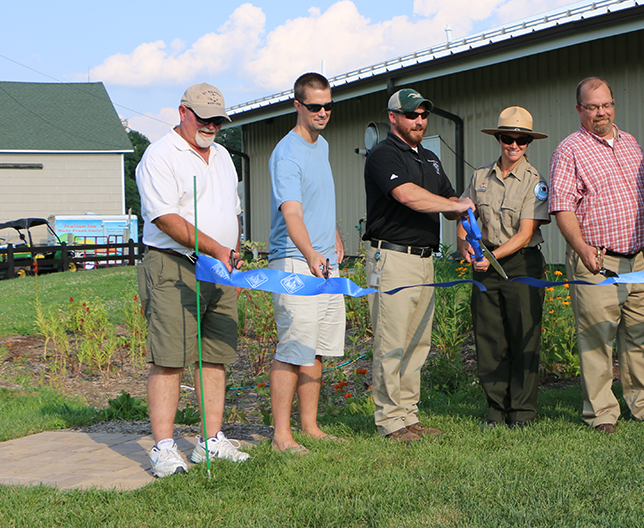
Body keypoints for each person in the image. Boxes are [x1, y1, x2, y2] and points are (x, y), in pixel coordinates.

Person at [136, 82, 250, 477]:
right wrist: (216, 249)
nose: (211, 126)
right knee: (169, 359)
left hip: (220, 268)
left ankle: (210, 441)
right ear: (182, 112)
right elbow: (165, 218)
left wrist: (229, 253)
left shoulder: (221, 156)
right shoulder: (159, 156)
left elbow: (232, 209)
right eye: (204, 118)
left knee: (215, 353)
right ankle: (164, 448)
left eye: (218, 120)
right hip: (173, 265)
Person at [549, 77, 644, 433]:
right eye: (592, 107)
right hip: (596, 259)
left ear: (613, 104)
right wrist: (582, 248)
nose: (601, 112)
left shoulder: (631, 143)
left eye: (606, 105)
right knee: (597, 338)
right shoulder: (569, 150)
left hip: (638, 258)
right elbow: (562, 206)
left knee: (640, 335)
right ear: (579, 110)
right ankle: (601, 413)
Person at [363, 88, 475, 443]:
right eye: (412, 115)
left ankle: (408, 415)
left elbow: (450, 195)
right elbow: (407, 196)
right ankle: (389, 420)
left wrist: (461, 217)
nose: (419, 121)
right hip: (393, 259)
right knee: (391, 341)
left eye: (424, 115)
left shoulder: (429, 158)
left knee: (417, 343)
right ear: (393, 117)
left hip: (425, 260)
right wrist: (452, 207)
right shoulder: (383, 155)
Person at [267, 72, 348, 454]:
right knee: (293, 347)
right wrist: (310, 253)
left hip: (325, 261)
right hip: (295, 261)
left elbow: (319, 201)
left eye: (328, 106)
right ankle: (281, 436)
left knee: (316, 348)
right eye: (315, 106)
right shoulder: (286, 152)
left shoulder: (324, 145)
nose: (323, 113)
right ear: (297, 105)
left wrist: (332, 237)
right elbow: (293, 213)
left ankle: (310, 427)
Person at [457, 106, 550, 428]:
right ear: (498, 138)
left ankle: (522, 413)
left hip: (521, 264)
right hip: (484, 265)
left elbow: (525, 234)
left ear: (528, 143)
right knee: (489, 339)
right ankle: (496, 412)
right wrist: (465, 245)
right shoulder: (480, 177)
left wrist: (491, 257)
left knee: (523, 336)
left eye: (521, 140)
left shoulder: (535, 181)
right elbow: (465, 216)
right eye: (508, 138)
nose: (514, 145)